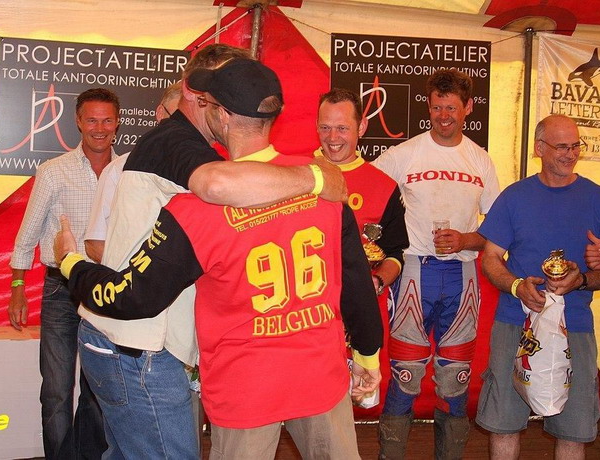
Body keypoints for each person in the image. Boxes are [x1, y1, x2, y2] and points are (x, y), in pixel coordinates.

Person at [56, 57, 383, 460]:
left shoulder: (195, 209)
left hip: (245, 387)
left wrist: (71, 263)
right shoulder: (325, 188)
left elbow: (133, 298)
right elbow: (356, 282)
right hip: (319, 375)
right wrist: (368, 355)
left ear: (223, 116)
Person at [371, 69, 500, 458]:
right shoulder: (405, 153)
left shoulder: (480, 160)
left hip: (462, 275)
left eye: (451, 108)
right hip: (413, 272)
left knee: (455, 379)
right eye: (437, 108)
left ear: (468, 108)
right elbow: (366, 194)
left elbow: (496, 230)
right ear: (428, 107)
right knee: (406, 375)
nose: (444, 116)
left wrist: (466, 240)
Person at [476, 114, 600, 459]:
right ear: (539, 148)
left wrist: (582, 279)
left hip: (575, 325)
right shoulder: (514, 197)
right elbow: (491, 257)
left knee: (574, 431)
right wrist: (516, 286)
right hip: (515, 322)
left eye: (576, 146)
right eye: (562, 146)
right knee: (504, 425)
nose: (571, 154)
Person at [8, 88, 117, 459]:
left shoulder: (127, 173)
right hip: (61, 290)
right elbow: (28, 234)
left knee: (98, 390)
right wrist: (18, 288)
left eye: (107, 120)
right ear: (78, 122)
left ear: (117, 123)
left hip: (105, 290)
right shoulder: (54, 172)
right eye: (92, 120)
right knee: (56, 391)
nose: (99, 128)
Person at [316, 88, 408, 412]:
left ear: (362, 127)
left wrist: (377, 282)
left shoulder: (384, 187)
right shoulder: (295, 175)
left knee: (352, 406)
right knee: (309, 408)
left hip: (360, 321)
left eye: (342, 128)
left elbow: (395, 253)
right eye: (325, 127)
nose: (333, 138)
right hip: (306, 319)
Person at [83, 81, 182, 263]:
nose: (184, 129)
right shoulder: (119, 169)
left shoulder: (214, 174)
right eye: (178, 119)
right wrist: (137, 275)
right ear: (160, 113)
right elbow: (95, 244)